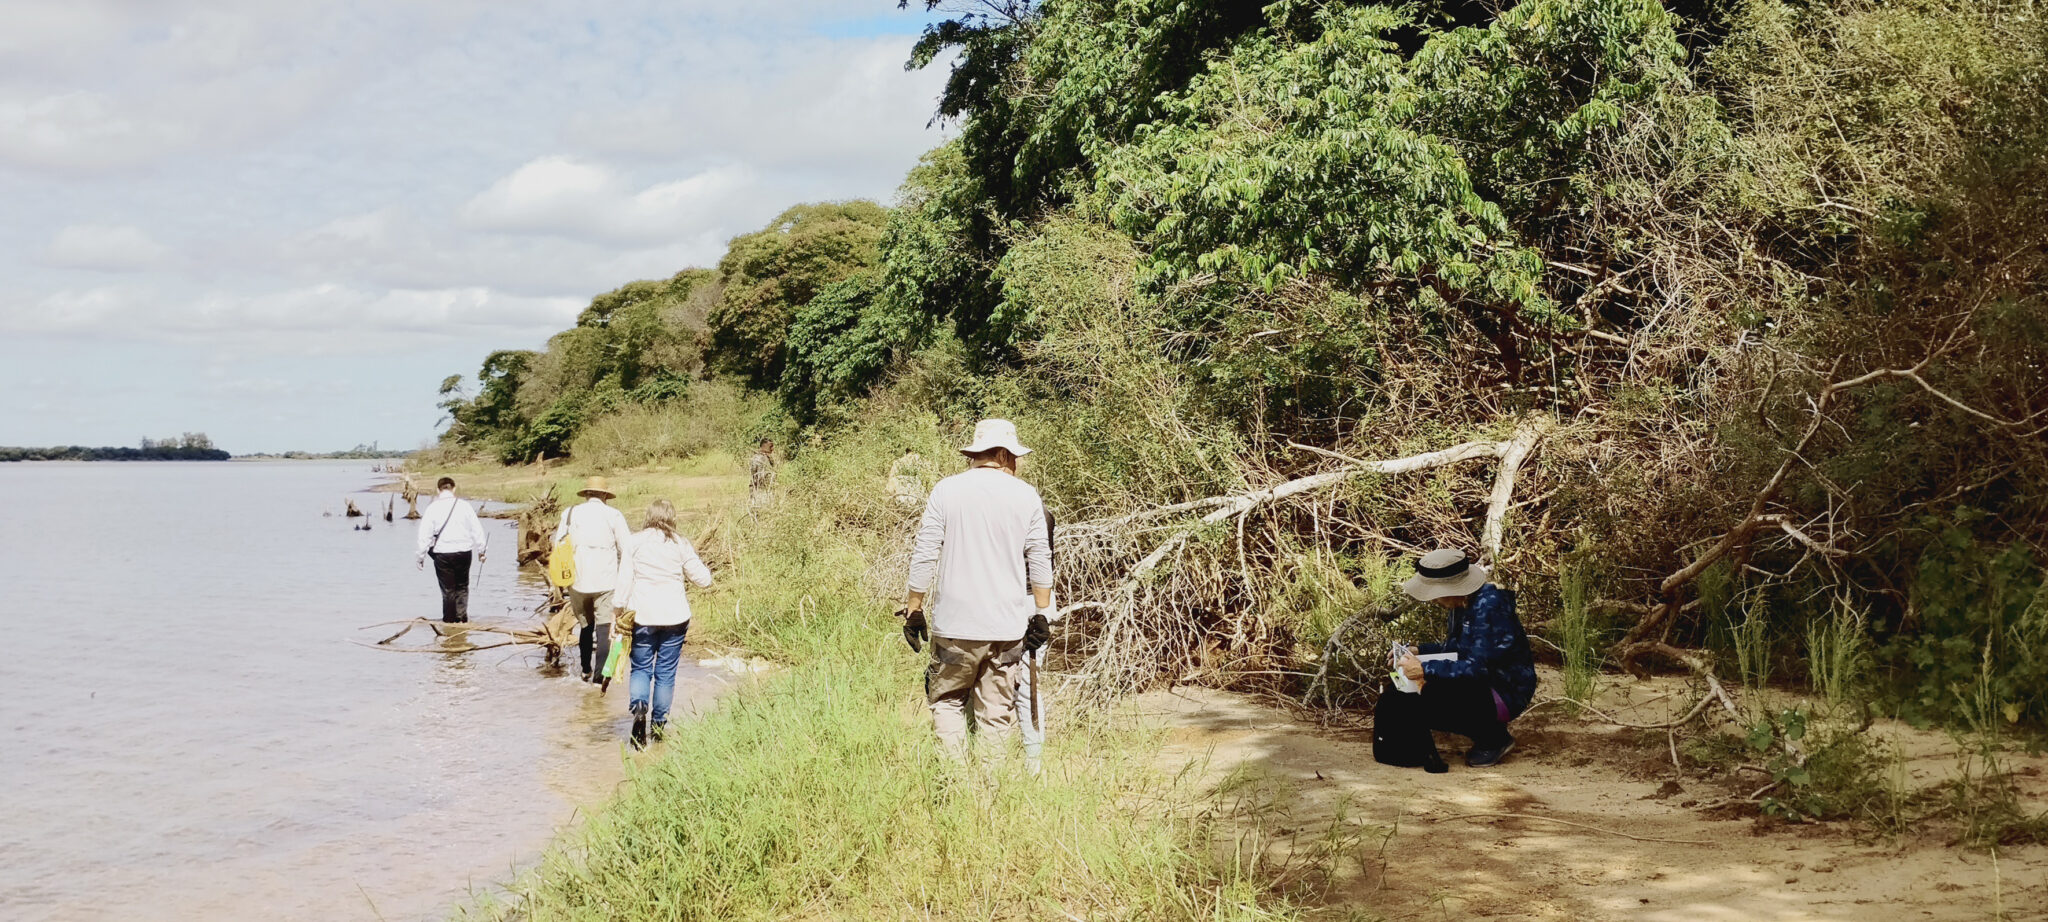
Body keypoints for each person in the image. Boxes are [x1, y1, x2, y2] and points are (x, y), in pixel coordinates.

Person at [902, 419, 1055, 764]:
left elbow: (925, 552)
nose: (1016, 464)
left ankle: (956, 786)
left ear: (977, 454)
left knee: (947, 703)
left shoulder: (946, 490)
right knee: (997, 715)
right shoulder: (1026, 495)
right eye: (1013, 456)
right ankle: (988, 796)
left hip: (954, 628)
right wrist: (1042, 614)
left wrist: (914, 609)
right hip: (1006, 629)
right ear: (1003, 454)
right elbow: (1040, 558)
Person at [1374, 548, 1537, 771]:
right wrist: (1419, 651)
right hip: (1485, 684)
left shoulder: (1489, 607)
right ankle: (1488, 732)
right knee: (1406, 693)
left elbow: (1478, 667)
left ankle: (1492, 736)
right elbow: (1455, 651)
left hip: (1504, 690)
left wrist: (1425, 669)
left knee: (1431, 694)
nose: (1434, 600)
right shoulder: (1462, 604)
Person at [613, 499, 714, 748]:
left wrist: (617, 612)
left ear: (648, 516)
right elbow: (704, 580)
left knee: (641, 669)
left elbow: (624, 581)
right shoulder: (681, 544)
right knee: (666, 674)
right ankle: (658, 728)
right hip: (675, 617)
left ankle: (639, 708)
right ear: (672, 518)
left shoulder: (634, 542)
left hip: (643, 617)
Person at [552, 476, 633, 684]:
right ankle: (600, 677)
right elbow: (627, 550)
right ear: (605, 495)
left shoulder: (569, 514)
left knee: (585, 626)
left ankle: (585, 669)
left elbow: (558, 545)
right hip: (606, 581)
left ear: (586, 494)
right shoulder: (614, 515)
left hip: (577, 580)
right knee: (605, 627)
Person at [1011, 504, 1057, 774]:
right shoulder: (1039, 509)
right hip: (1036, 602)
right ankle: (1033, 761)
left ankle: (1033, 761)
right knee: (1027, 684)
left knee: (1026, 684)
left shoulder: (1035, 511)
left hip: (1024, 601)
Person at [415, 476, 488, 623]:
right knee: (462, 587)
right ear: (454, 489)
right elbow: (476, 530)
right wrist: (482, 550)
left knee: (448, 590)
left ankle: (448, 623)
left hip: (442, 553)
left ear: (438, 490)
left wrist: (420, 557)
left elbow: (425, 535)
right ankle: (461, 620)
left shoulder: (432, 508)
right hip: (464, 552)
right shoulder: (465, 506)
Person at [748, 439, 778, 511]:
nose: (772, 449)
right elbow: (759, 477)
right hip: (761, 491)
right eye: (770, 446)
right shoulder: (759, 458)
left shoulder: (765, 457)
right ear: (764, 446)